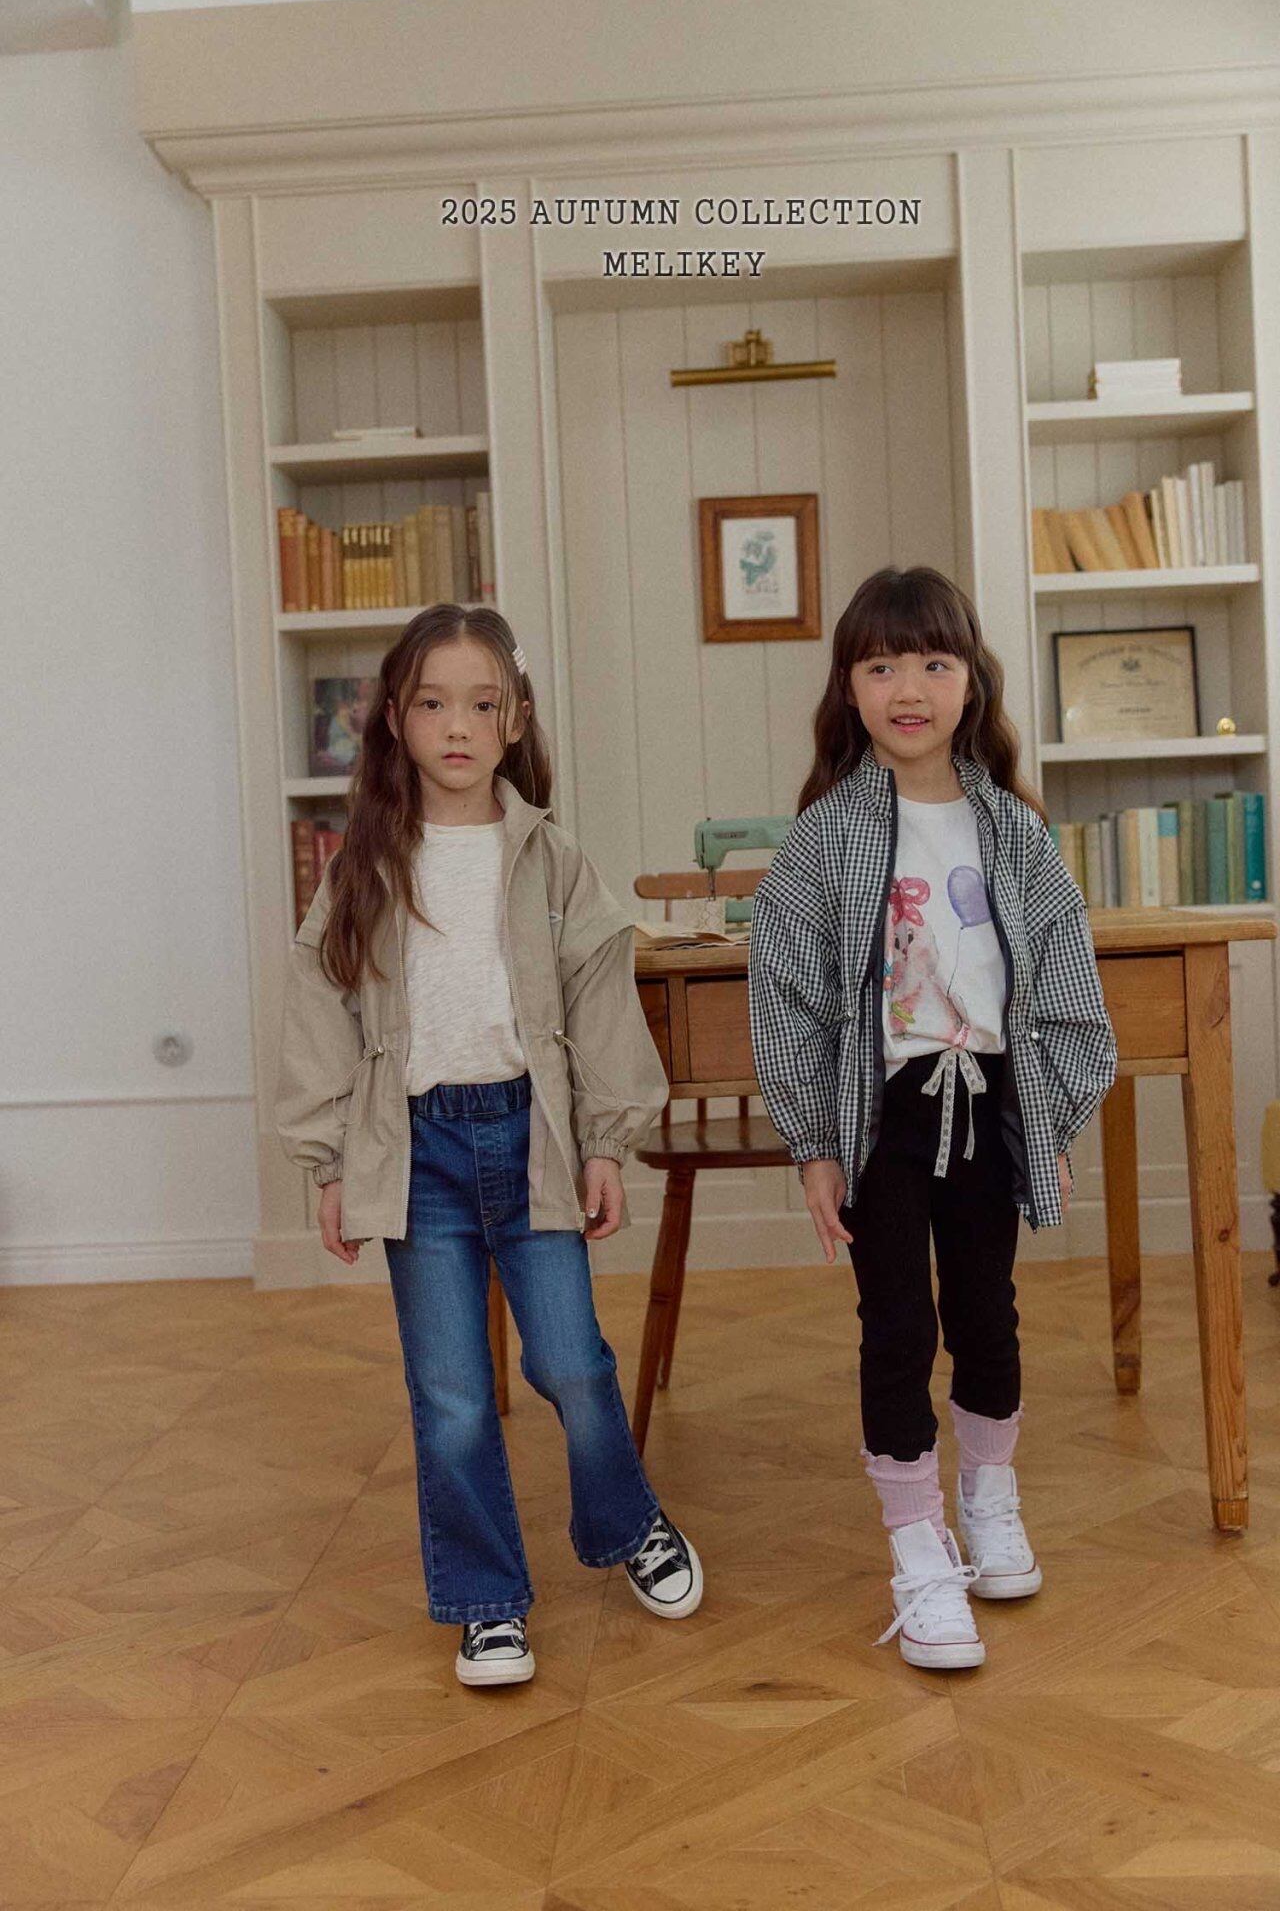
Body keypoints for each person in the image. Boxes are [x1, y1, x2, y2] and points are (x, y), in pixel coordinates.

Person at [275, 603, 703, 1689]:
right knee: (453, 1396)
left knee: (570, 1362)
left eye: (480, 705)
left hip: (533, 1139)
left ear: (515, 719)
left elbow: (600, 1003)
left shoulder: (551, 860)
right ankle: (486, 1602)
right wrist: (329, 1164)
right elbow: (320, 1010)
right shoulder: (363, 866)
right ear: (394, 718)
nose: (456, 726)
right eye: (432, 704)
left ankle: (628, 1522)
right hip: (414, 1152)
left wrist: (604, 1141)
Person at [748, 567, 1117, 1671]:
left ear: (970, 681)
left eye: (932, 663)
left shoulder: (1016, 834)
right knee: (898, 1325)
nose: (907, 688)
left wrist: (1049, 1117)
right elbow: (788, 1000)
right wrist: (815, 1146)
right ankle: (916, 1547)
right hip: (883, 1115)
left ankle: (988, 1499)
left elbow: (1067, 987)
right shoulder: (823, 841)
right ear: (848, 688)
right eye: (880, 666)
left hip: (990, 1103)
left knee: (987, 1313)